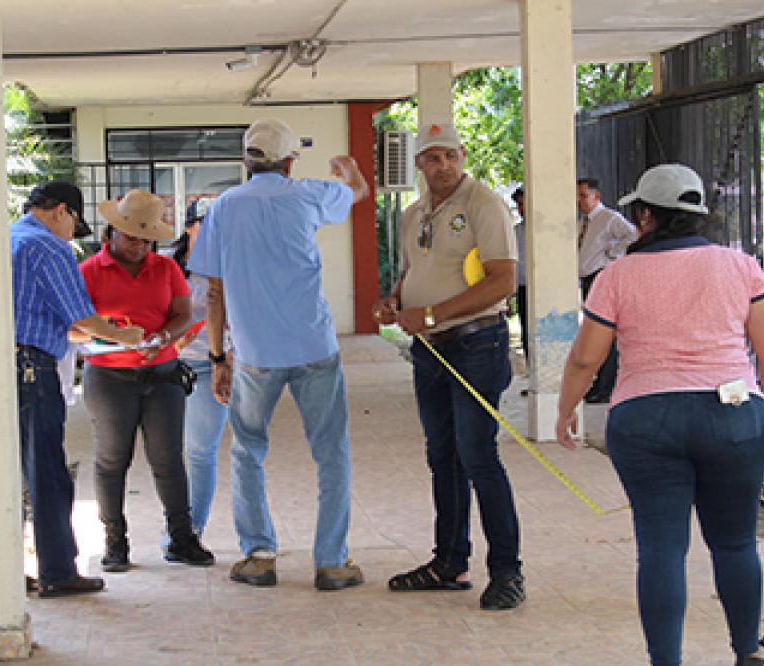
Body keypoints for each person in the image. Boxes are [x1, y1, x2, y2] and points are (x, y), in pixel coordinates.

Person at [555, 163, 764, 666]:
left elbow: (587, 357)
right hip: (732, 414)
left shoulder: (616, 276)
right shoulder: (740, 266)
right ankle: (749, 649)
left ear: (645, 215)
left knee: (661, 546)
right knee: (734, 541)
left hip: (646, 419)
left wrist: (565, 409)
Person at [187, 117, 369, 590]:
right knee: (331, 454)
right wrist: (347, 169)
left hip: (255, 354)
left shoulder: (223, 208)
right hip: (314, 346)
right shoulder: (309, 194)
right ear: (290, 161)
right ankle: (331, 561)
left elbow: (213, 292)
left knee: (248, 450)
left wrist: (218, 358)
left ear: (247, 161)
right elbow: (359, 192)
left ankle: (260, 555)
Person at [373, 122, 523, 610]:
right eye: (432, 158)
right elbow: (414, 271)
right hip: (430, 349)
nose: (443, 166)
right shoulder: (414, 213)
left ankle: (506, 572)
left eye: (450, 157)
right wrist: (394, 299)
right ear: (418, 164)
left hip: (476, 344)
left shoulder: (484, 204)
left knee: (478, 455)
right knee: (443, 456)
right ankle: (449, 562)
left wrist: (434, 313)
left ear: (462, 155)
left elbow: (502, 280)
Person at [11, 180, 145, 597]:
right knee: (47, 472)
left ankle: (10, 572)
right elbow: (83, 316)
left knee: (13, 474)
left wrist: (79, 333)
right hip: (32, 369)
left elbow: (38, 313)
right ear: (61, 211)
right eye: (74, 224)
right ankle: (57, 570)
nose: (73, 234)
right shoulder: (49, 247)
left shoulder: (10, 238)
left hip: (6, 366)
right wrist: (127, 337)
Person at [79, 189, 214, 572]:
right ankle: (115, 544)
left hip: (163, 373)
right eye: (130, 237)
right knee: (112, 460)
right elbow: (74, 326)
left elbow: (182, 314)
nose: (138, 246)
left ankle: (182, 538)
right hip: (109, 377)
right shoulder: (89, 271)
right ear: (112, 232)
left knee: (169, 459)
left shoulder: (166, 269)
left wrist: (164, 339)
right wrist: (112, 337)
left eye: (145, 239)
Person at [163, 198, 230, 542]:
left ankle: (191, 530)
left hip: (210, 367)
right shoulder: (165, 265)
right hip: (165, 367)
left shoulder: (232, 267)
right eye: (205, 223)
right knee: (165, 452)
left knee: (201, 451)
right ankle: (174, 525)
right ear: (189, 226)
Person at [577, 177, 638, 403]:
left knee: (603, 333)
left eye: (584, 196)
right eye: (577, 197)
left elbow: (632, 235)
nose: (579, 201)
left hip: (600, 276)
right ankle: (598, 383)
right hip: (586, 277)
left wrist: (613, 255)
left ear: (596, 197)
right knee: (593, 333)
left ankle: (606, 386)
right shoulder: (583, 222)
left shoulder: (609, 218)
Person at [512, 186, 529, 374]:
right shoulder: (515, 231)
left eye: (525, 204)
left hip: (542, 289)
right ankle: (533, 375)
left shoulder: (545, 232)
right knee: (526, 333)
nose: (522, 209)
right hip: (522, 287)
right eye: (519, 205)